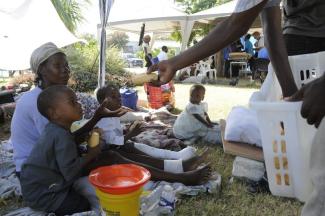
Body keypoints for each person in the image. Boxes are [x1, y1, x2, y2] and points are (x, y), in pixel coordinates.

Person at [10, 42, 128, 177]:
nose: (65, 70)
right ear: (41, 70)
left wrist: (95, 121)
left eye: (66, 65)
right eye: (57, 65)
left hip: (53, 159)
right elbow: (60, 144)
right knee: (111, 157)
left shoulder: (51, 97)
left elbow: (65, 138)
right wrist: (95, 120)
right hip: (37, 171)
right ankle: (154, 175)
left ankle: (156, 165)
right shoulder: (36, 102)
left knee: (116, 151)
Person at [94, 84, 209, 175]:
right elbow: (113, 143)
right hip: (112, 153)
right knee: (142, 158)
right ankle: (179, 166)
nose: (119, 99)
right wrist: (131, 134)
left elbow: (117, 135)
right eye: (114, 97)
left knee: (145, 150)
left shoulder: (112, 117)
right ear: (102, 103)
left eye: (119, 95)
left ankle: (176, 158)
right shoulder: (103, 122)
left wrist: (127, 131)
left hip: (121, 147)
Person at [20, 85, 100, 215]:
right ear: (54, 113)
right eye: (72, 102)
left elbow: (66, 151)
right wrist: (91, 154)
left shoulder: (54, 129)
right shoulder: (62, 135)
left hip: (35, 187)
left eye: (77, 100)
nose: (79, 104)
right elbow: (70, 171)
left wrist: (84, 140)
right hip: (45, 195)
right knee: (83, 205)